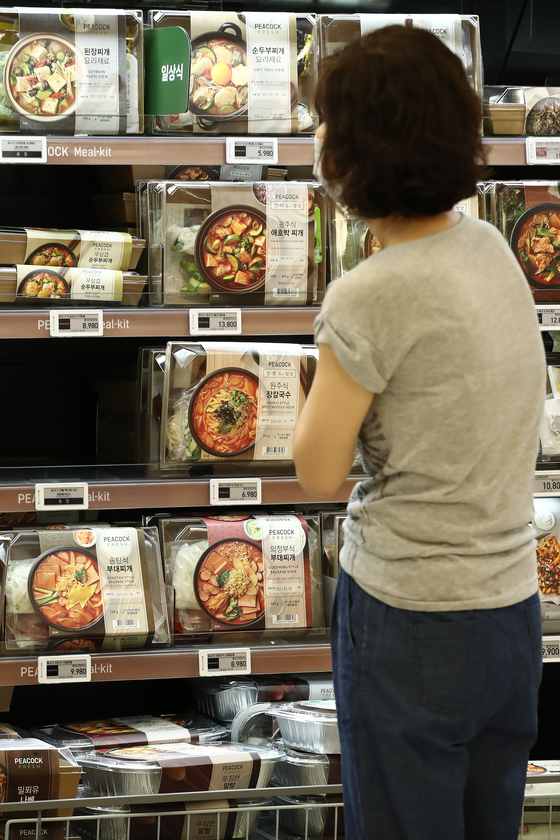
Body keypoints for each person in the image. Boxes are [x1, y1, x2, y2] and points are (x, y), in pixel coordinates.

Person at [293, 25, 545, 840]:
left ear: (359, 148)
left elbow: (316, 472)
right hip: (509, 612)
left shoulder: (371, 295)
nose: (318, 137)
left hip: (411, 619)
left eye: (326, 122)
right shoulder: (491, 246)